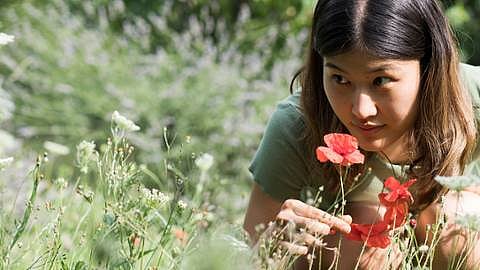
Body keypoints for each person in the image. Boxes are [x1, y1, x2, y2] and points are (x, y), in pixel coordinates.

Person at [243, 0, 480, 269]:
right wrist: (275, 244)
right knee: (359, 233)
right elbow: (247, 253)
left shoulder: (472, 99)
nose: (361, 110)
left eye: (381, 80)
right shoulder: (297, 125)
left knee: (456, 221)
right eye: (340, 79)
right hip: (352, 258)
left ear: (427, 66)